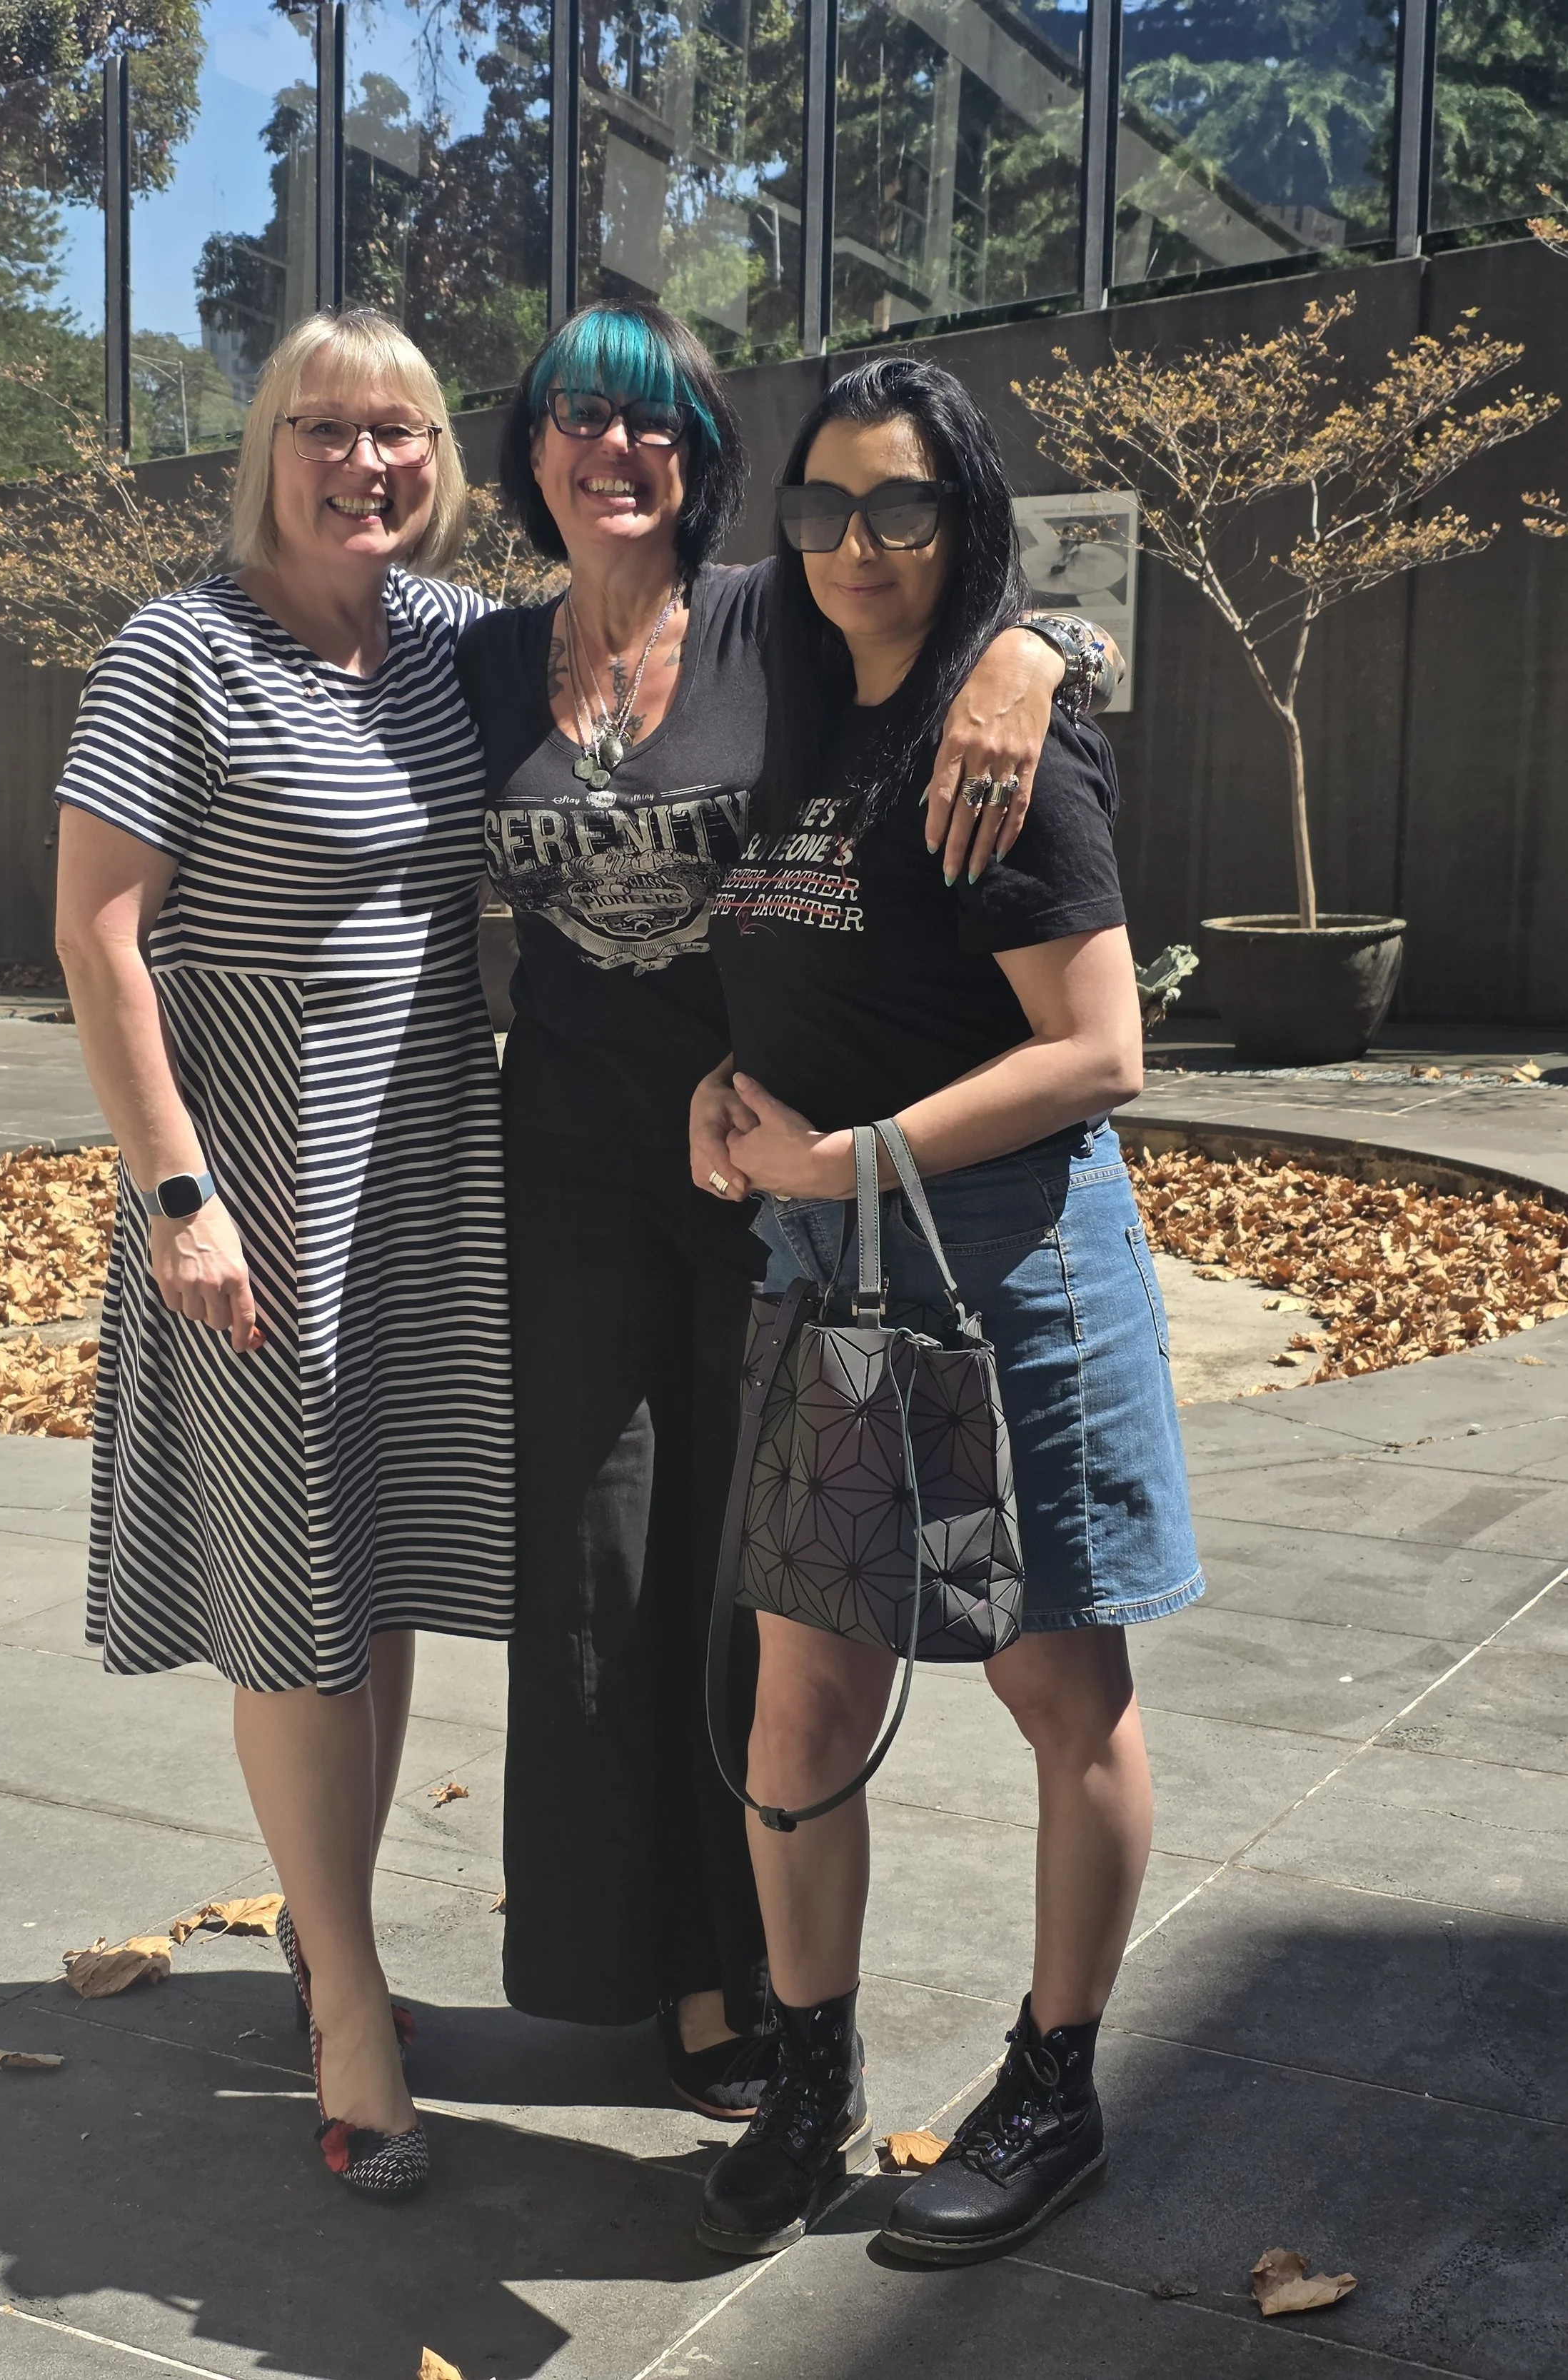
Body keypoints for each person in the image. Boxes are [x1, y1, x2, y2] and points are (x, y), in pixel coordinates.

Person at [455, 302, 1119, 2120]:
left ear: (700, 458)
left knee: (758, 1577)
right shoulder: (483, 655)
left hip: (774, 1156)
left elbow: (976, 602)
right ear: (527, 451)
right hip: (574, 1165)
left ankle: (754, 1986)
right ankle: (640, 1959)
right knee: (599, 1562)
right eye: (575, 415)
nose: (614, 449)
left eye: (654, 420)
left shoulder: (775, 606)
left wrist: (1038, 652)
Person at [691, 354, 1202, 2259]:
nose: (856, 543)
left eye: (898, 504)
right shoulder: (800, 718)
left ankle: (1053, 2085)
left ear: (960, 514)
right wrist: (729, 1084)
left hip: (1006, 1268)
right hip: (823, 1271)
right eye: (822, 505)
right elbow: (808, 965)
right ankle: (808, 2071)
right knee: (803, 1701)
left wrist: (856, 1154)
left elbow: (1099, 1050)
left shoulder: (1008, 743)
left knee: (1056, 1688)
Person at [54, 309, 511, 2206]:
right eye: (326, 428)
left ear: (440, 459)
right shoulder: (179, 649)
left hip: (422, 1161)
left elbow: (685, 651)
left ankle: (338, 1939)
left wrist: (1034, 644)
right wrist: (180, 1192)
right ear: (267, 449)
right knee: (299, 1599)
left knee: (374, 1563)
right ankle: (347, 2007)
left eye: (399, 431)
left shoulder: (454, 641)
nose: (363, 463)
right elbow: (98, 933)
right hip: (253, 1174)